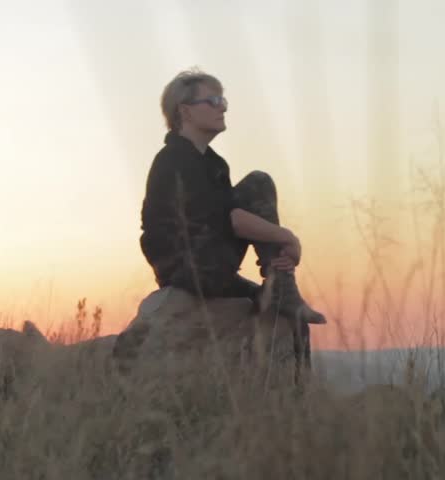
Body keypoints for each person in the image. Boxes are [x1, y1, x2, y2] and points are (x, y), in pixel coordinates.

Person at [139, 68, 325, 350]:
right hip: (190, 268)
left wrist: (279, 256)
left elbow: (229, 220)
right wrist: (288, 238)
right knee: (258, 183)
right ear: (185, 111)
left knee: (289, 317)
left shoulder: (213, 163)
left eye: (223, 101)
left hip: (213, 266)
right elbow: (233, 221)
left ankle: (281, 289)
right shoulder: (175, 159)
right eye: (213, 101)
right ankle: (281, 286)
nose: (222, 108)